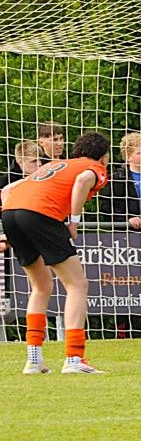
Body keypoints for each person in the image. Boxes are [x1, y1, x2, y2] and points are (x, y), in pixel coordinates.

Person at [0, 132, 111, 374]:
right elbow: (83, 180)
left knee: (40, 287)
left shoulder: (55, 164)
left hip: (11, 212)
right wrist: (74, 221)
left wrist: (11, 228)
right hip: (41, 214)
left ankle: (34, 359)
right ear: (104, 157)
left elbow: (7, 190)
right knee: (77, 285)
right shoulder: (94, 167)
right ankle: (74, 358)